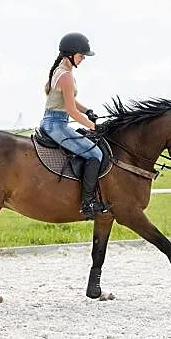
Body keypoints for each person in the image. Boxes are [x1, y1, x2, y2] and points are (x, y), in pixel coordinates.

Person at [39, 32, 107, 220]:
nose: (84, 58)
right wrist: (93, 126)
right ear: (70, 54)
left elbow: (71, 103)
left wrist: (88, 111)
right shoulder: (66, 76)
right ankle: (88, 203)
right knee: (96, 154)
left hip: (53, 120)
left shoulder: (61, 71)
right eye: (81, 55)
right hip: (56, 125)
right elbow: (70, 110)